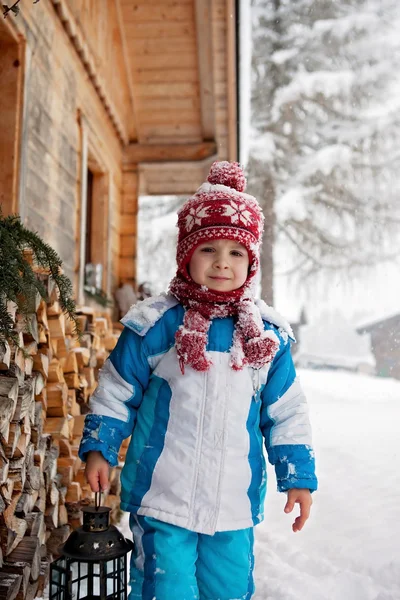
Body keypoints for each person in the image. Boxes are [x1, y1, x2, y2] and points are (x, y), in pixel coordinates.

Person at [79, 161, 318, 600]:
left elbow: (286, 412)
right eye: (209, 249)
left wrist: (297, 476)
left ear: (251, 261)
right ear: (186, 253)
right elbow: (116, 391)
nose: (222, 263)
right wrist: (100, 446)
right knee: (165, 589)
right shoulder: (156, 325)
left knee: (227, 589)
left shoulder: (266, 337)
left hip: (233, 505)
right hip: (162, 494)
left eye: (236, 252)